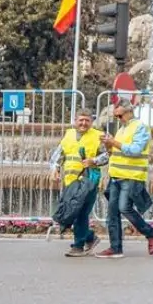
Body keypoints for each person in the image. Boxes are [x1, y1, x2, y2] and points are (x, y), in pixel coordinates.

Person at [100, 100, 153, 259]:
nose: (118, 119)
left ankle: (150, 232)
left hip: (132, 176)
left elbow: (135, 150)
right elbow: (114, 152)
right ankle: (115, 248)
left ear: (129, 111)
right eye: (116, 116)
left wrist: (114, 142)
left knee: (124, 208)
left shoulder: (140, 127)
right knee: (112, 213)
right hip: (116, 176)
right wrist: (108, 145)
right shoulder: (121, 129)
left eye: (120, 115)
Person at [51, 110, 107, 258]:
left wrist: (94, 161)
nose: (83, 123)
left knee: (81, 212)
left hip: (89, 180)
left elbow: (107, 155)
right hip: (71, 181)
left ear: (91, 122)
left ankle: (78, 246)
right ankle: (89, 237)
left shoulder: (98, 136)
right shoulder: (68, 135)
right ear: (75, 121)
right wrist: (55, 169)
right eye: (81, 120)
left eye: (87, 120)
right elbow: (59, 155)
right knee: (73, 212)